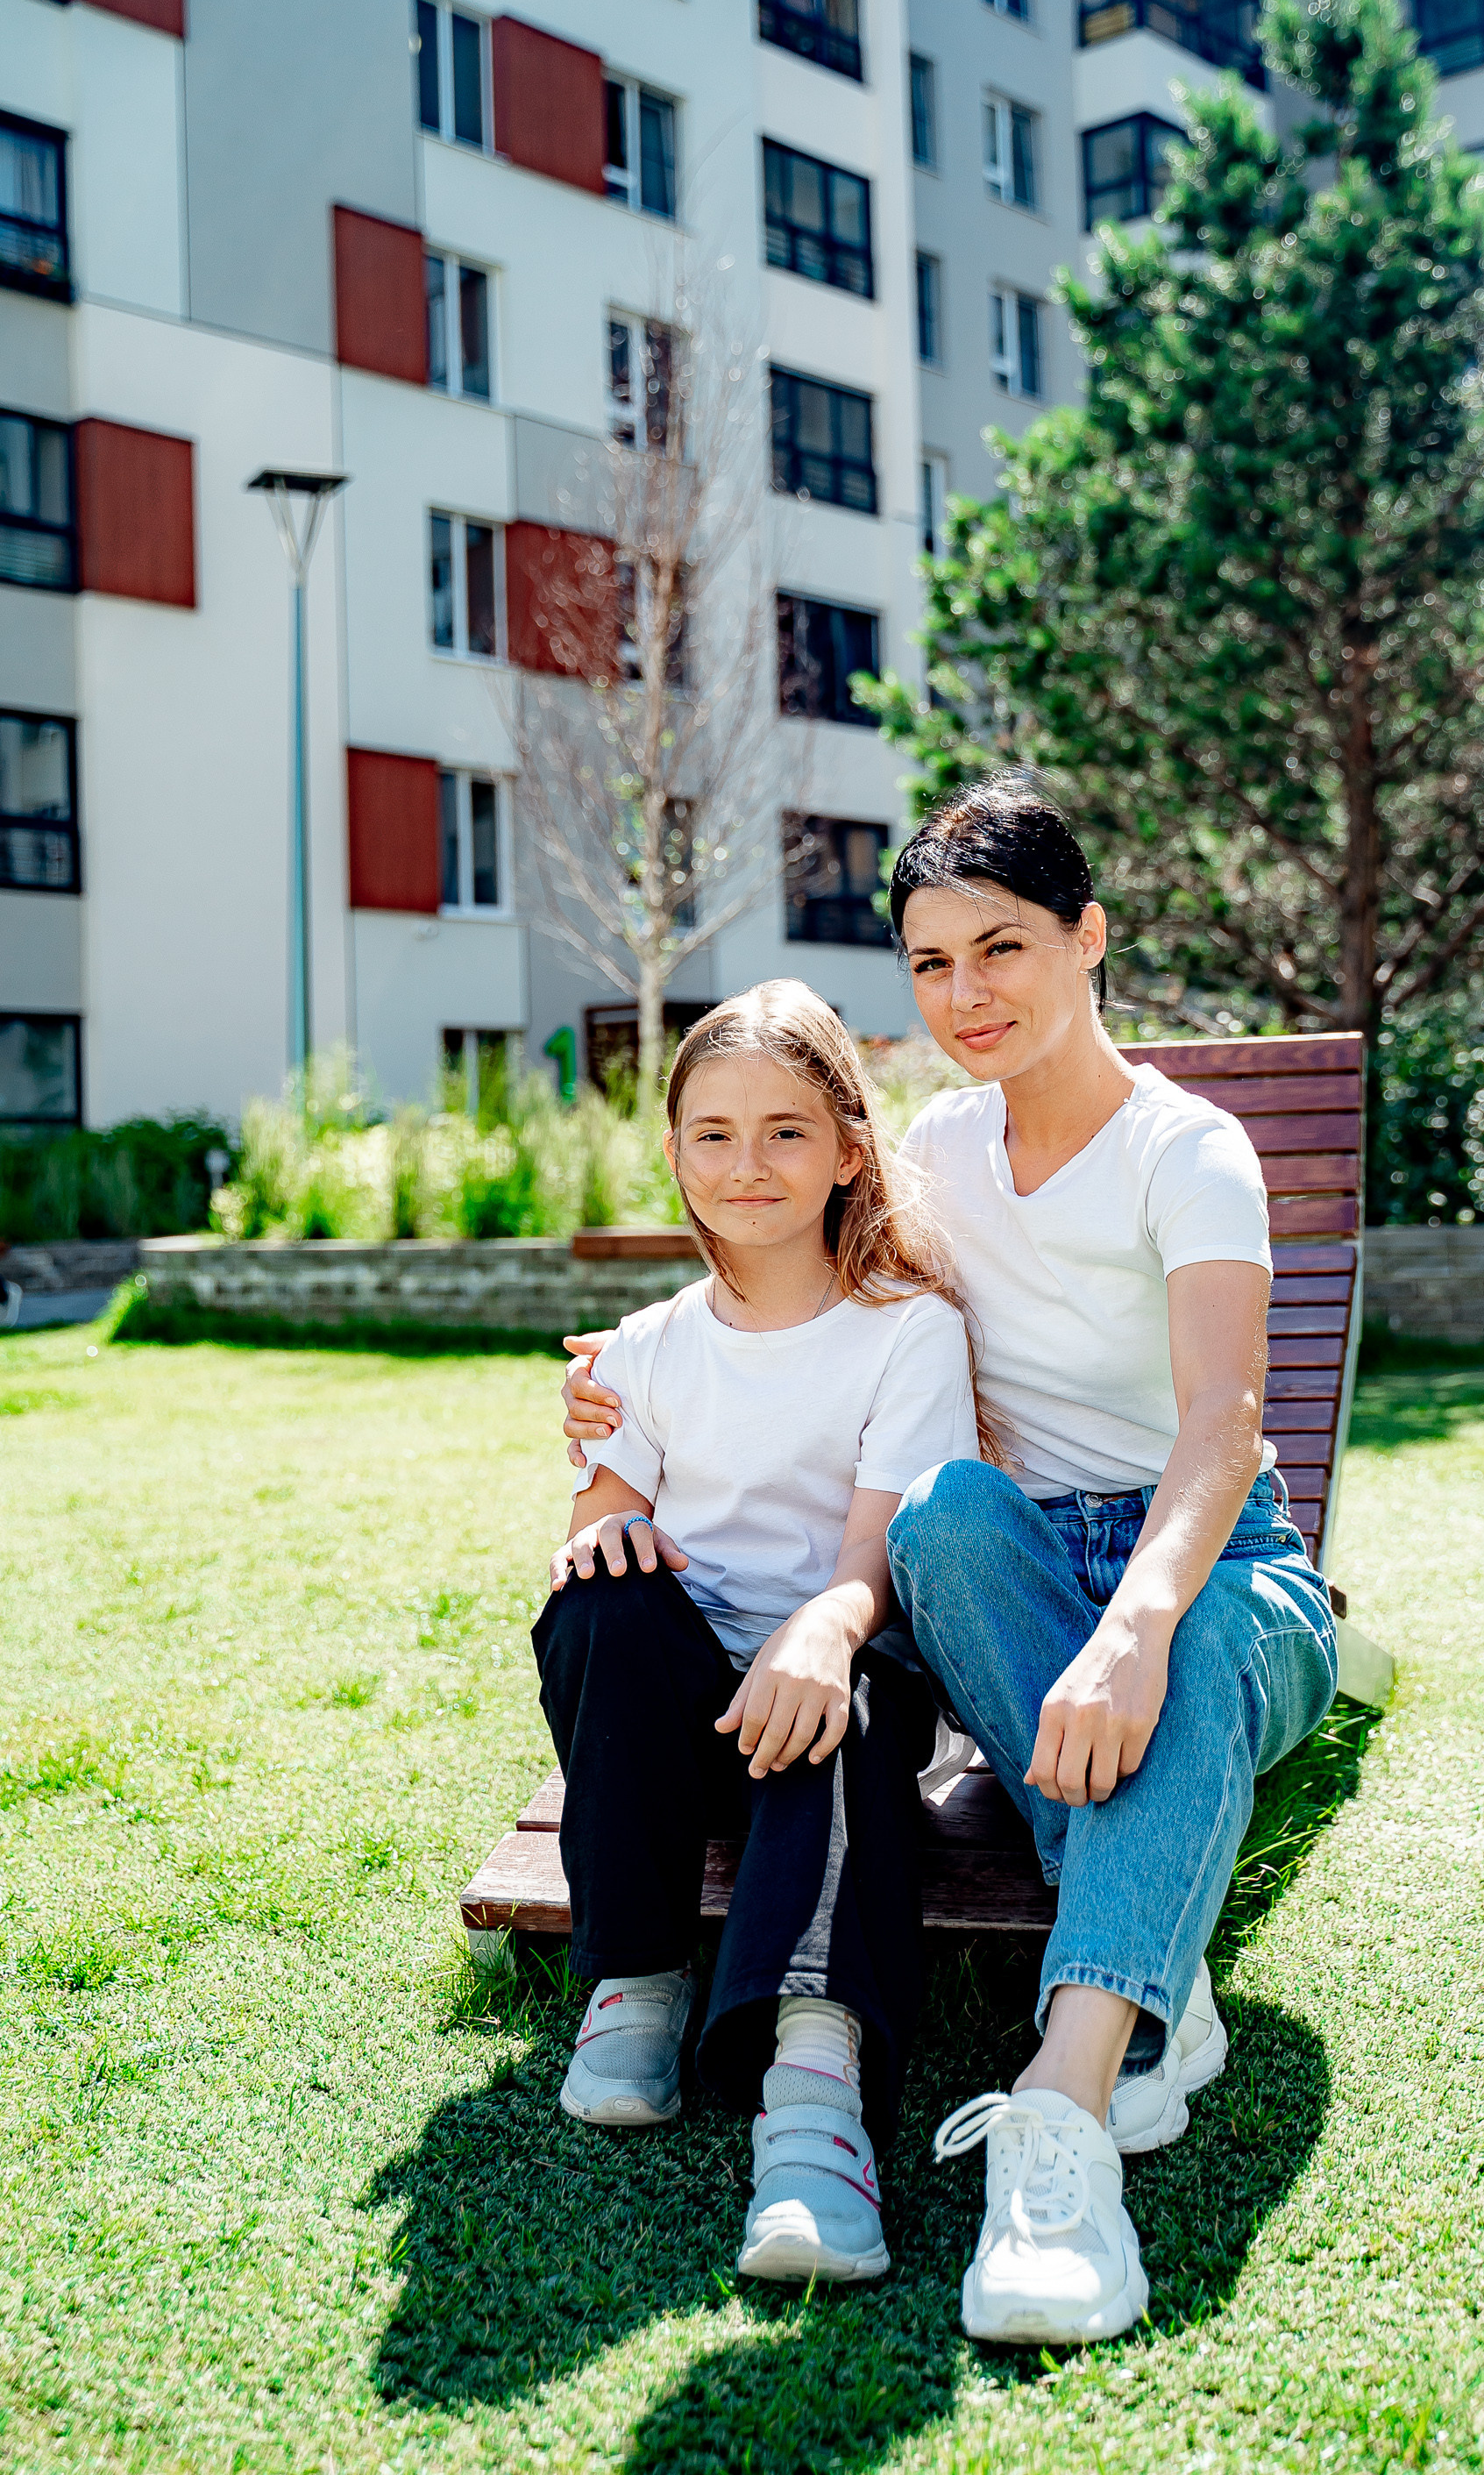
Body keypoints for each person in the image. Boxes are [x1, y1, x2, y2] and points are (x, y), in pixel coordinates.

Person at [563, 775, 1339, 2348]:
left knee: (1185, 1648)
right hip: (1006, 1574)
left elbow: (1224, 1423)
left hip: (1211, 1559)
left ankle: (1072, 2086)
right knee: (943, 1514)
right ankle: (1147, 1926)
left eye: (1002, 948)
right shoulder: (935, 1144)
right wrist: (623, 1384)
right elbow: (815, 1306)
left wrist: (1134, 1627)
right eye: (931, 962)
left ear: (1087, 938)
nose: (966, 993)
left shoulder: (1191, 1151)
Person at [537, 978, 985, 2289]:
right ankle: (635, 1980)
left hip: (846, 1679)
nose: (748, 1163)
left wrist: (819, 1638)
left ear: (847, 1152)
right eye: (714, 1134)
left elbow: (872, 1570)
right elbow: (601, 1522)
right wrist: (600, 1540)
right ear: (675, 1153)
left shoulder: (908, 1334)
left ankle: (813, 2100)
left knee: (848, 1698)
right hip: (684, 1719)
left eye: (787, 1131)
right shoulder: (642, 1349)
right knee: (603, 1600)